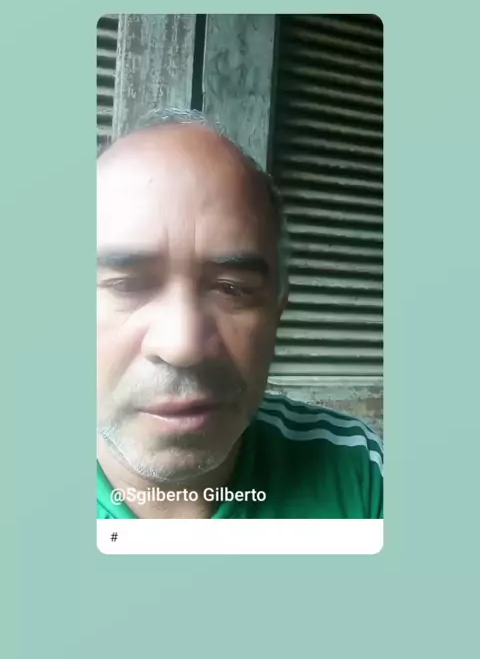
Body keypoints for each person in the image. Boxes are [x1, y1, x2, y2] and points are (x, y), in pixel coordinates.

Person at [97, 109, 383, 519]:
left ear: (278, 310)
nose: (182, 346)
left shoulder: (358, 475)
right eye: (126, 285)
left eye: (232, 288)